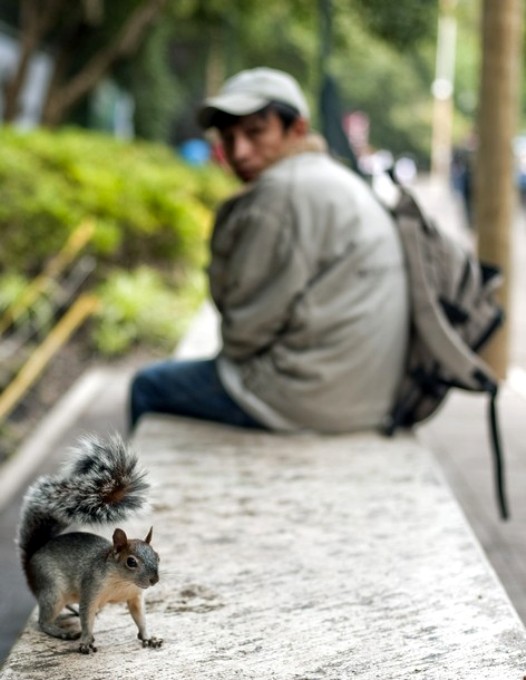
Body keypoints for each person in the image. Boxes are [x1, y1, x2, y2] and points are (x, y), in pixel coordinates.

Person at [129, 67, 409, 433]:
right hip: (367, 395)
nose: (239, 152)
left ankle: (131, 495)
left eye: (255, 133)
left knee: (147, 386)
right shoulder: (332, 176)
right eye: (228, 139)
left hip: (307, 399)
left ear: (297, 130)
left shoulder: (279, 195)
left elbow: (243, 333)